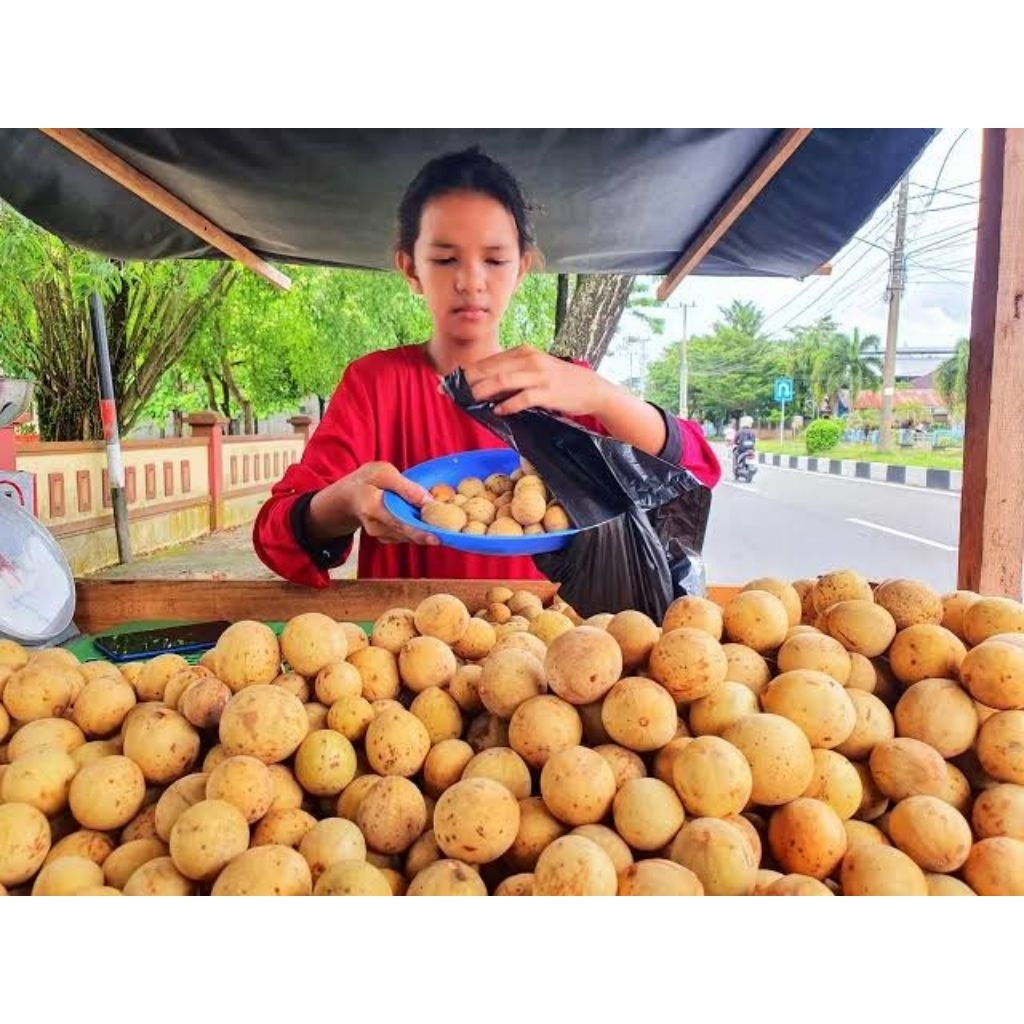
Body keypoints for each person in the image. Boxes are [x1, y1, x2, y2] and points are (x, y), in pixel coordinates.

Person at [253, 147, 721, 588]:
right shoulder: (375, 385)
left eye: (495, 260)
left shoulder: (563, 386)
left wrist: (599, 393)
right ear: (410, 268)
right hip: (405, 652)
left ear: (522, 268)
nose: (471, 282)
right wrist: (343, 503)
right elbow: (275, 538)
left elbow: (697, 474)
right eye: (444, 259)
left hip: (547, 652)